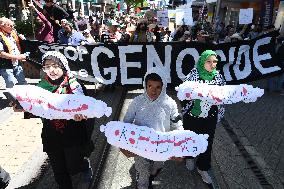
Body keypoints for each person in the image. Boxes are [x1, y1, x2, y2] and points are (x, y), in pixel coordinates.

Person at [13, 51, 94, 189]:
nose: (51, 70)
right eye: (47, 66)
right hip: (52, 134)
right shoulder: (40, 87)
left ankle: (84, 166)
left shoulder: (75, 85)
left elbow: (88, 109)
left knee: (73, 165)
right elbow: (37, 110)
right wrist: (23, 108)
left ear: (63, 66)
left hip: (73, 133)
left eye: (55, 65)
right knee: (58, 169)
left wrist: (81, 115)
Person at [123, 69, 184, 189]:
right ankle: (142, 184)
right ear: (145, 85)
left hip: (161, 145)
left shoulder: (170, 103)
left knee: (157, 166)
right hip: (141, 145)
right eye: (150, 86)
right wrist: (123, 145)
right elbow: (126, 123)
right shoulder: (137, 102)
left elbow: (177, 125)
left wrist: (180, 147)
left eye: (158, 87)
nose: (153, 90)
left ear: (163, 87)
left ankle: (152, 175)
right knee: (142, 170)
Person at [181, 50, 226, 184]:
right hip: (192, 116)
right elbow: (184, 93)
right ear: (202, 61)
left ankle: (203, 167)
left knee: (207, 142)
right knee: (190, 137)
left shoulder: (218, 76)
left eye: (215, 62)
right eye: (209, 61)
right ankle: (189, 157)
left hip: (210, 116)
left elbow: (223, 96)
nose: (212, 65)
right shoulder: (193, 75)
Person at [0, 17, 27, 88]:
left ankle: (24, 98)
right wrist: (18, 57)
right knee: (11, 83)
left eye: (13, 25)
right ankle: (12, 99)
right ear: (2, 26)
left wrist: (23, 39)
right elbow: (1, 54)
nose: (13, 27)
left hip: (17, 63)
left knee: (23, 82)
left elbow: (19, 46)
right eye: (10, 26)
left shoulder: (13, 33)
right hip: (5, 65)